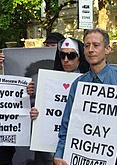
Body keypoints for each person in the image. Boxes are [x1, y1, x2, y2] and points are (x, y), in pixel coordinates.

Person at [53, 28, 117, 165]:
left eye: (96, 45)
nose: (90, 50)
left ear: (107, 49)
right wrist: (60, 153)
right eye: (87, 45)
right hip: (84, 151)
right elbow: (67, 122)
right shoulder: (78, 84)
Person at [30, 37, 90, 165]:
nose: (66, 60)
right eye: (62, 55)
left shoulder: (91, 82)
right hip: (49, 150)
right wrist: (36, 113)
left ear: (80, 57)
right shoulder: (48, 82)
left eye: (71, 55)